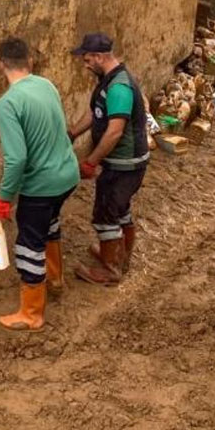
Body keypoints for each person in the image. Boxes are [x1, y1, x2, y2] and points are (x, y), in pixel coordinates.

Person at [0, 38, 80, 331]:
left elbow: (17, 159)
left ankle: (31, 313)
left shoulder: (8, 103)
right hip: (67, 175)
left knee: (29, 243)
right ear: (30, 61)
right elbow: (43, 125)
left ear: (0, 65)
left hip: (41, 185)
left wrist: (3, 198)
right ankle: (54, 279)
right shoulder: (46, 85)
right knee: (50, 225)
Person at [66, 33, 149, 286]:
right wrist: (72, 133)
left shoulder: (119, 87)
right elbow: (96, 112)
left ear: (101, 57)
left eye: (88, 58)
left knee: (106, 212)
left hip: (124, 164)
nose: (85, 63)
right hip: (122, 163)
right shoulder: (107, 80)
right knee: (120, 208)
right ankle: (120, 255)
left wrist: (91, 161)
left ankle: (111, 269)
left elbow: (114, 131)